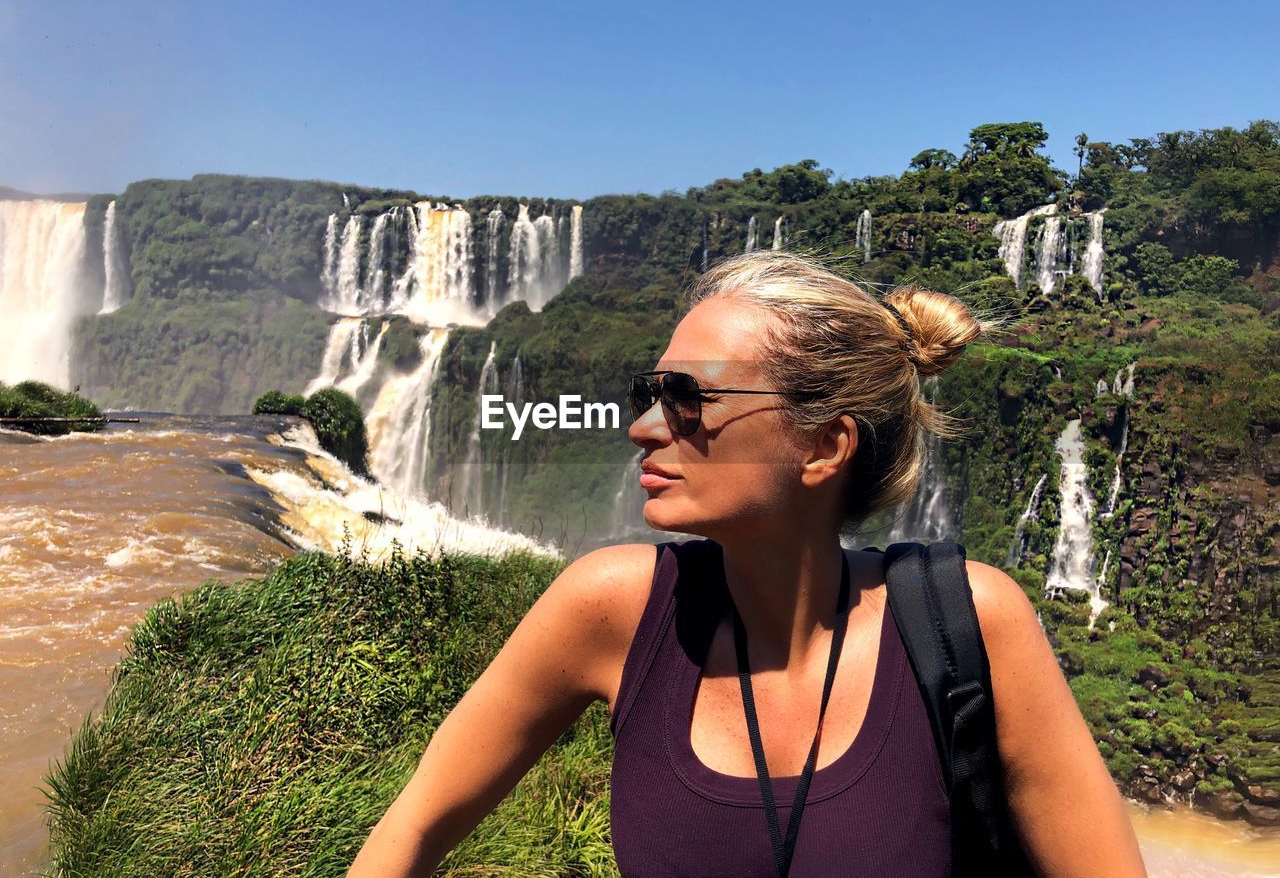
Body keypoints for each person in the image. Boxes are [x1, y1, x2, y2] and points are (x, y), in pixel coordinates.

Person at [348, 250, 1147, 877]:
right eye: (651, 391)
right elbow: (414, 823)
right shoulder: (608, 607)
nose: (644, 427)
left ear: (823, 444)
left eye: (691, 397)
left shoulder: (969, 624)